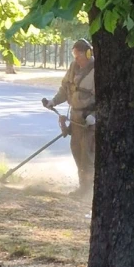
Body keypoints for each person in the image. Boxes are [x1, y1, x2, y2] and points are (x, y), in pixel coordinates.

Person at [42, 38, 95, 198]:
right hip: (75, 120)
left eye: (79, 56)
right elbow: (65, 89)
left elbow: (106, 99)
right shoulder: (73, 67)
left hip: (90, 122)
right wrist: (54, 101)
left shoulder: (98, 71)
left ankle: (89, 191)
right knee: (77, 152)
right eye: (74, 56)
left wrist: (95, 116)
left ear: (88, 53)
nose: (76, 59)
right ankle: (82, 187)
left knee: (87, 156)